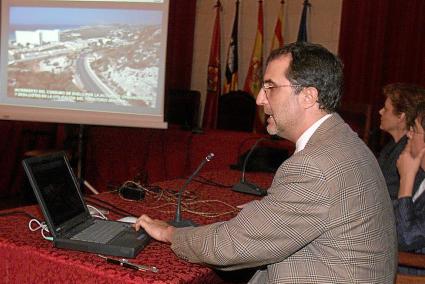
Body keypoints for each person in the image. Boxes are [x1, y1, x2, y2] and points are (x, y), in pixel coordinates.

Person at [134, 42, 397, 283]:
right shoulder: (346, 142)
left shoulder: (314, 165)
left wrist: (170, 233)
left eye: (270, 87)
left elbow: (232, 246)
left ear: (308, 96)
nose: (260, 99)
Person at [378, 83, 425, 200]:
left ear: (401, 116)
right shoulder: (393, 145)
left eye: (386, 109)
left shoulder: (407, 153)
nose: (380, 111)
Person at [395, 102, 425, 252]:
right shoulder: (420, 173)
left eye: (414, 130)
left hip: (412, 272)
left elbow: (405, 239)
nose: (408, 134)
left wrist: (406, 179)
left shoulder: (411, 172)